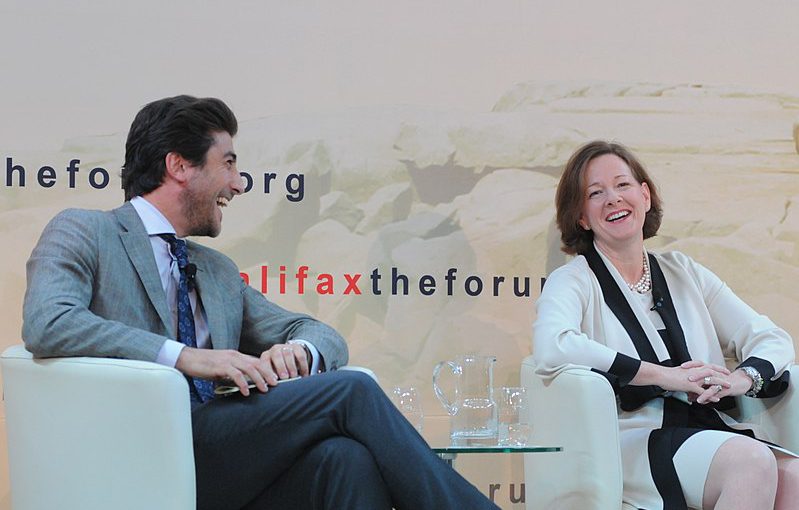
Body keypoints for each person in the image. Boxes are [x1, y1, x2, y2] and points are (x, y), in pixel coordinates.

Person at [22, 95, 499, 510]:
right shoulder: (87, 230)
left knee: (344, 459)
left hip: (217, 457)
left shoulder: (216, 272)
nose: (240, 183)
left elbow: (320, 334)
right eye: (228, 163)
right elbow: (49, 322)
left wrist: (301, 352)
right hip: (136, 452)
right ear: (180, 166)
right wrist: (185, 358)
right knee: (351, 391)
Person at [533, 140, 799, 510]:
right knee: (749, 462)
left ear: (644, 195)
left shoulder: (684, 271)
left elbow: (771, 338)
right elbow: (552, 347)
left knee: (795, 478)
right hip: (631, 440)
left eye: (623, 185)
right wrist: (663, 375)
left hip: (707, 426)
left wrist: (740, 380)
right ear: (581, 216)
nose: (613, 198)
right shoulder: (574, 280)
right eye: (596, 193)